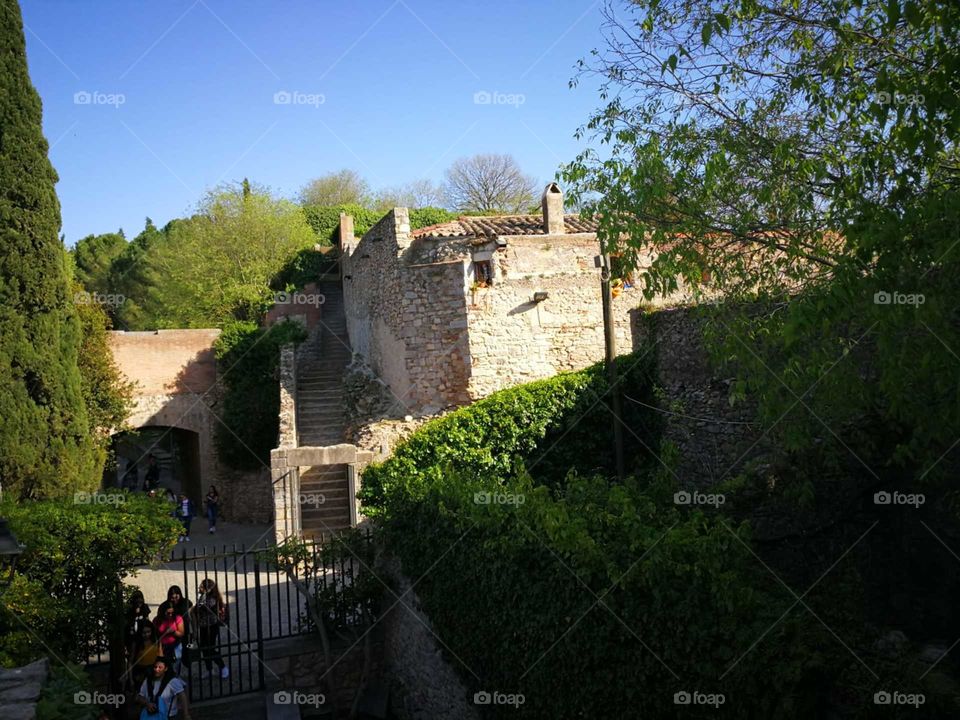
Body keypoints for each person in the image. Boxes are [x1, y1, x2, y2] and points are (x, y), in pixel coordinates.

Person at [190, 578, 229, 679]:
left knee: (210, 649)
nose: (199, 588)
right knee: (204, 649)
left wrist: (193, 609)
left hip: (211, 627)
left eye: (202, 587)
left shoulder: (212, 599)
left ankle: (223, 667)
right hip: (203, 627)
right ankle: (209, 669)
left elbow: (199, 608)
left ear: (208, 589)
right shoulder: (204, 597)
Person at [136, 656, 191, 720]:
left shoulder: (172, 681)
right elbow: (139, 697)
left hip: (169, 716)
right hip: (151, 716)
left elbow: (182, 696)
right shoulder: (148, 681)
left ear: (165, 669)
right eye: (155, 667)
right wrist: (147, 703)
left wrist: (186, 714)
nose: (157, 669)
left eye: (160, 667)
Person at [130, 621, 161, 690]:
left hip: (153, 670)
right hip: (140, 672)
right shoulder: (136, 643)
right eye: (144, 633)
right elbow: (130, 662)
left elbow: (160, 655)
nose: (146, 635)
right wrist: (131, 679)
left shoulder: (156, 640)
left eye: (148, 632)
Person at [155, 604, 185, 671]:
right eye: (168, 613)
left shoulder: (177, 618)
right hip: (162, 647)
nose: (170, 615)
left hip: (175, 646)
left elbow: (181, 634)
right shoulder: (157, 620)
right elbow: (156, 635)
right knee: (163, 667)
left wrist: (173, 631)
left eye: (172, 613)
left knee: (175, 667)